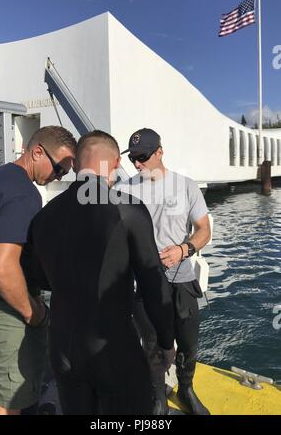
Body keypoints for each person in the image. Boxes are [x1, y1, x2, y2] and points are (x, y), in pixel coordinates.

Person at [26, 130, 175, 415]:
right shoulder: (126, 208)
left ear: (78, 164)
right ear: (115, 162)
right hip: (112, 350)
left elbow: (37, 277)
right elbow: (153, 282)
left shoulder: (44, 216)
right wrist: (166, 342)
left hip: (62, 350)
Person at [0, 125, 77, 415]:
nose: (59, 176)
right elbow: (0, 266)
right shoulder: (25, 195)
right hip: (4, 306)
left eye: (65, 173)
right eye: (59, 168)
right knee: (11, 398)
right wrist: (31, 312)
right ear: (36, 152)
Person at [116, 128, 211, 415]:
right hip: (143, 281)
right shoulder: (125, 190)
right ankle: (157, 394)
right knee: (153, 343)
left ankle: (186, 388)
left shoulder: (186, 186)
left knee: (188, 342)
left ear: (160, 151)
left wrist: (184, 250)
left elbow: (203, 230)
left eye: (142, 156)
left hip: (181, 278)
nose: (137, 164)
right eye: (133, 158)